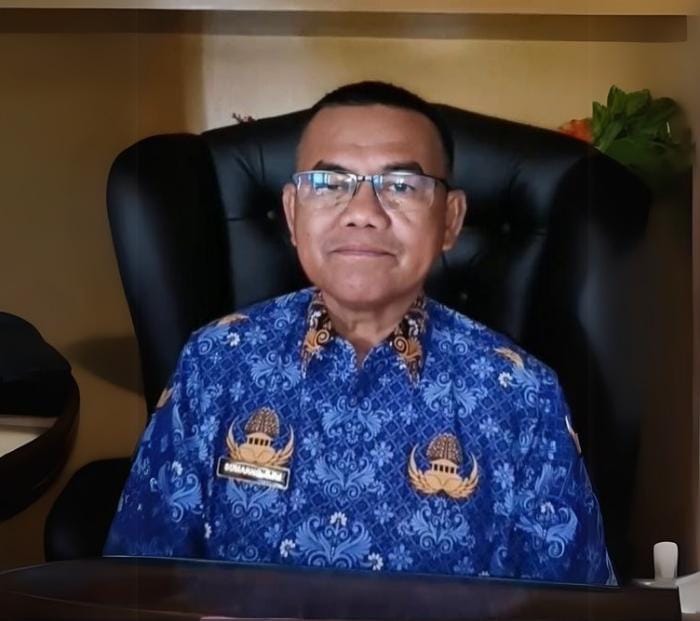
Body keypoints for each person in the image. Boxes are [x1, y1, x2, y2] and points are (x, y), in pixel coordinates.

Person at [104, 81, 616, 585]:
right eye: (329, 184)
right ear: (292, 212)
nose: (363, 214)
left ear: (450, 220)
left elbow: (571, 604)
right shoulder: (216, 361)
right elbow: (139, 585)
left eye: (402, 186)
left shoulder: (523, 394)